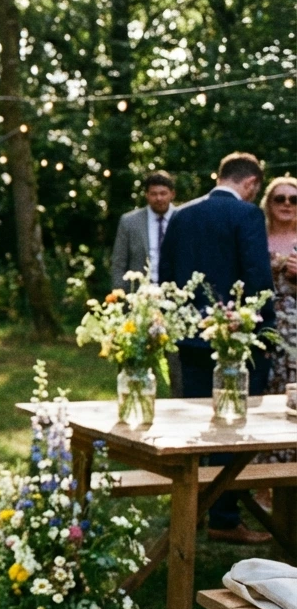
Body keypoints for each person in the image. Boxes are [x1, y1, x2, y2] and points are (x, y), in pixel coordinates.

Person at [158, 151, 274, 544]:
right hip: (235, 339)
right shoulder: (247, 215)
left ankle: (190, 510)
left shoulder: (181, 215)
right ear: (251, 183)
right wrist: (265, 331)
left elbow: (166, 276)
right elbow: (257, 276)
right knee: (232, 426)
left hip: (189, 337)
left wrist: (175, 326)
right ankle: (223, 517)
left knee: (194, 425)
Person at [260, 176, 297, 468]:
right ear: (268, 203)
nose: (287, 204)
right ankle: (263, 475)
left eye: (293, 199)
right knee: (266, 393)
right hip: (265, 325)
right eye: (279, 198)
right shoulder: (257, 237)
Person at [111, 170, 177, 289]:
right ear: (146, 195)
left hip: (177, 293)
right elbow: (119, 263)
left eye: (163, 193)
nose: (159, 198)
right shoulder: (130, 221)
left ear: (172, 194)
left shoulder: (183, 218)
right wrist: (120, 292)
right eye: (153, 194)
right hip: (139, 294)